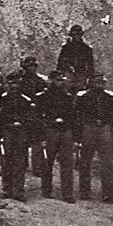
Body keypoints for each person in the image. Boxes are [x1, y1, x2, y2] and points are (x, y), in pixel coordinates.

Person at [0, 71, 39, 201]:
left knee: (20, 161)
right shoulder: (2, 98)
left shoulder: (26, 99)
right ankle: (6, 189)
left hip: (21, 133)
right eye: (12, 83)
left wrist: (22, 125)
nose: (14, 86)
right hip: (7, 132)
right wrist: (0, 134)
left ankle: (18, 190)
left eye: (17, 84)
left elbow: (30, 118)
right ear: (7, 84)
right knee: (6, 161)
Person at [76, 72, 113, 203]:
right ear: (91, 83)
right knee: (85, 161)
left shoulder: (109, 96)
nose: (101, 85)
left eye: (103, 83)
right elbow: (78, 115)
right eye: (98, 82)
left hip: (104, 128)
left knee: (107, 162)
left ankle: (108, 194)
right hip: (88, 128)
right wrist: (78, 136)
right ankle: (84, 192)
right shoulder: (83, 96)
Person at [37, 71, 78, 203]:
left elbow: (72, 116)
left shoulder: (68, 97)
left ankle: (67, 193)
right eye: (58, 80)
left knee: (67, 163)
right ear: (51, 81)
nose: (60, 83)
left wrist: (72, 133)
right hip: (50, 131)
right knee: (47, 162)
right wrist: (42, 135)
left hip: (65, 131)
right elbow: (38, 118)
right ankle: (46, 190)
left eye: (62, 80)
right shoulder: (43, 97)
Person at [14, 55, 50, 177]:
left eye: (34, 66)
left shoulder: (40, 80)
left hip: (37, 114)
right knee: (22, 142)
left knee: (37, 142)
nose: (32, 68)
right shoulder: (19, 80)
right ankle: (22, 165)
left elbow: (45, 96)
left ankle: (37, 168)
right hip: (23, 113)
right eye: (30, 66)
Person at [57, 24, 96, 88]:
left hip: (81, 75)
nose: (76, 37)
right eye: (74, 35)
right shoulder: (66, 47)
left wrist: (90, 78)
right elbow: (60, 63)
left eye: (78, 35)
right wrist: (60, 75)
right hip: (68, 74)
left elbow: (90, 65)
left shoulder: (86, 48)